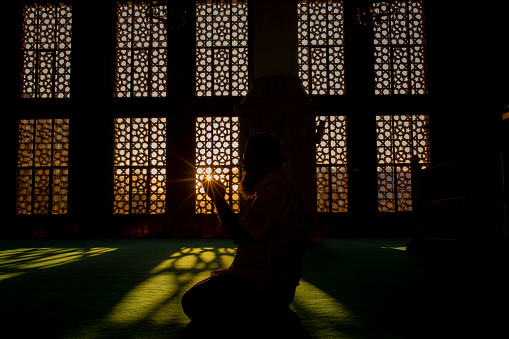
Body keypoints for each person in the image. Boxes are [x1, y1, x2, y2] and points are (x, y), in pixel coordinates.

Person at [181, 132, 309, 335]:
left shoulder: (276, 193)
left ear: (265, 161)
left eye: (247, 157)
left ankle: (268, 315)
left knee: (193, 302)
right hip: (259, 280)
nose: (243, 164)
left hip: (263, 286)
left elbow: (241, 234)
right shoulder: (274, 190)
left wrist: (217, 197)